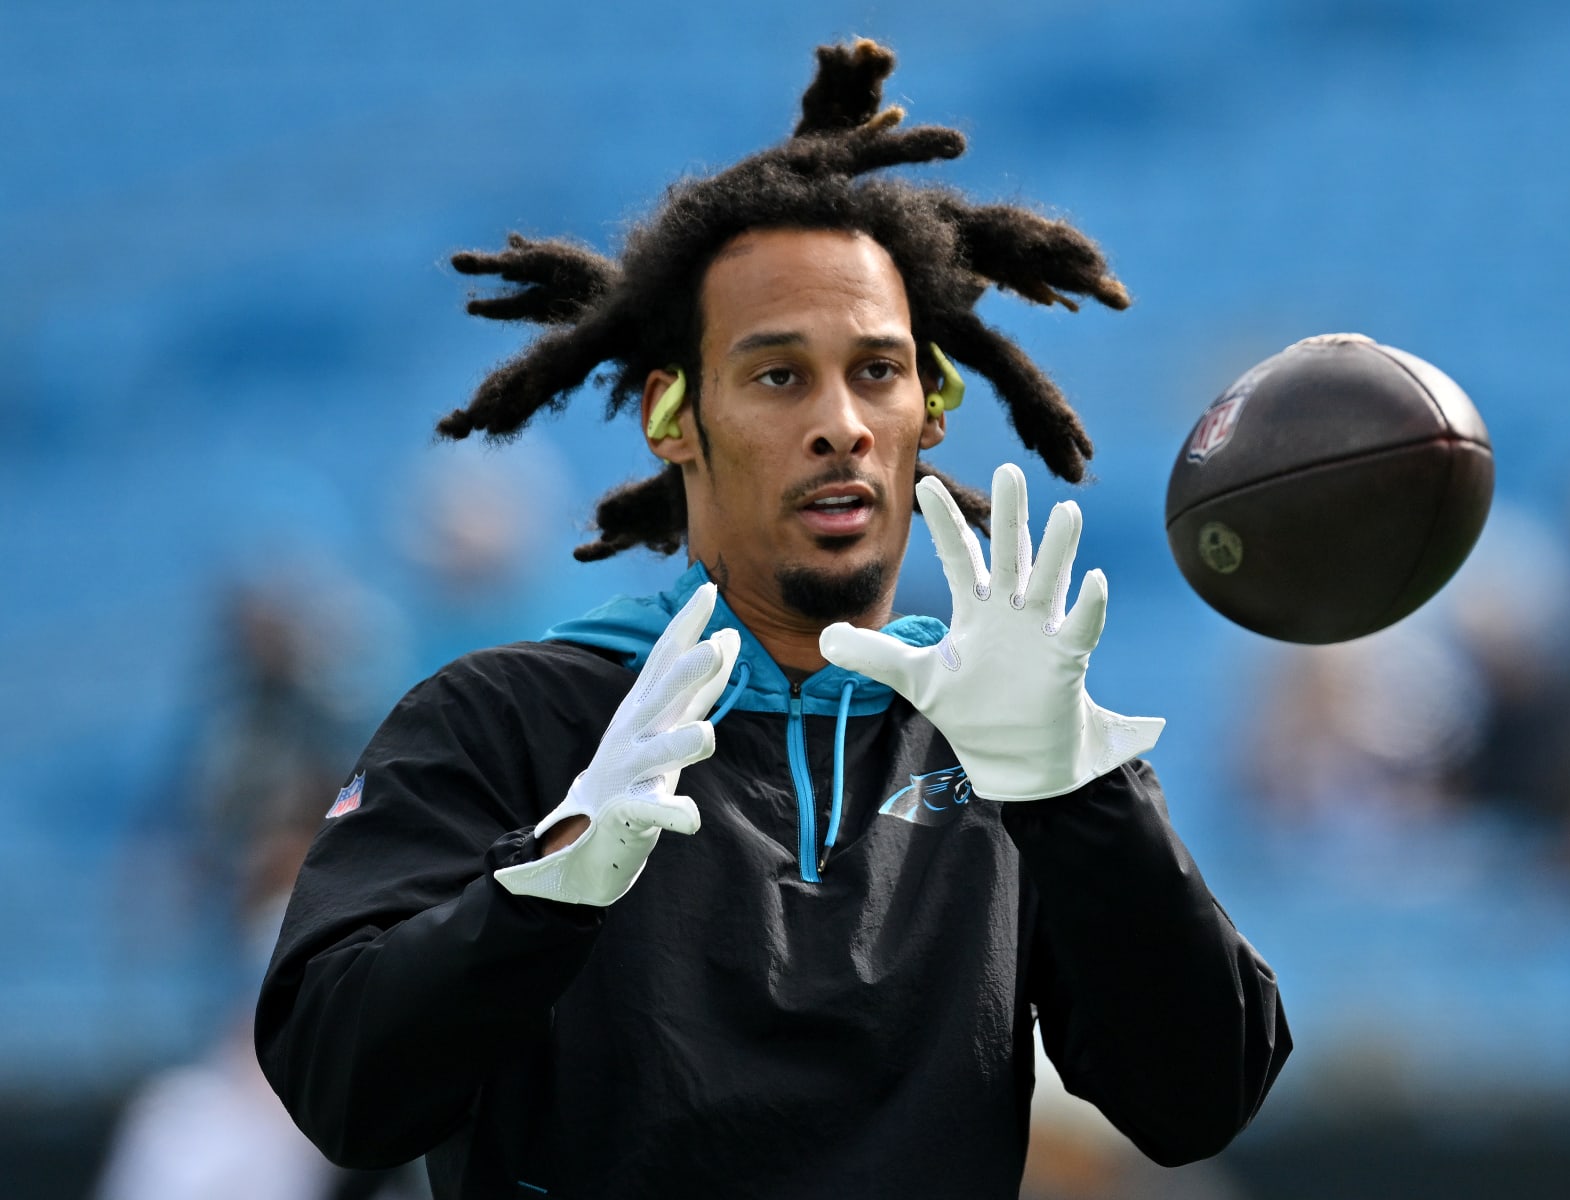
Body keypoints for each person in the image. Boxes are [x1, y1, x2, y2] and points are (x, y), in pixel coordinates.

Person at [256, 40, 1290, 1199]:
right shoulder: (502, 718)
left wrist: (1078, 798)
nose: (842, 423)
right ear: (672, 418)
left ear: (932, 410)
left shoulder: (1013, 738)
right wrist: (536, 892)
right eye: (779, 376)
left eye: (879, 372)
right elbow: (340, 1094)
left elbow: (1197, 1101)